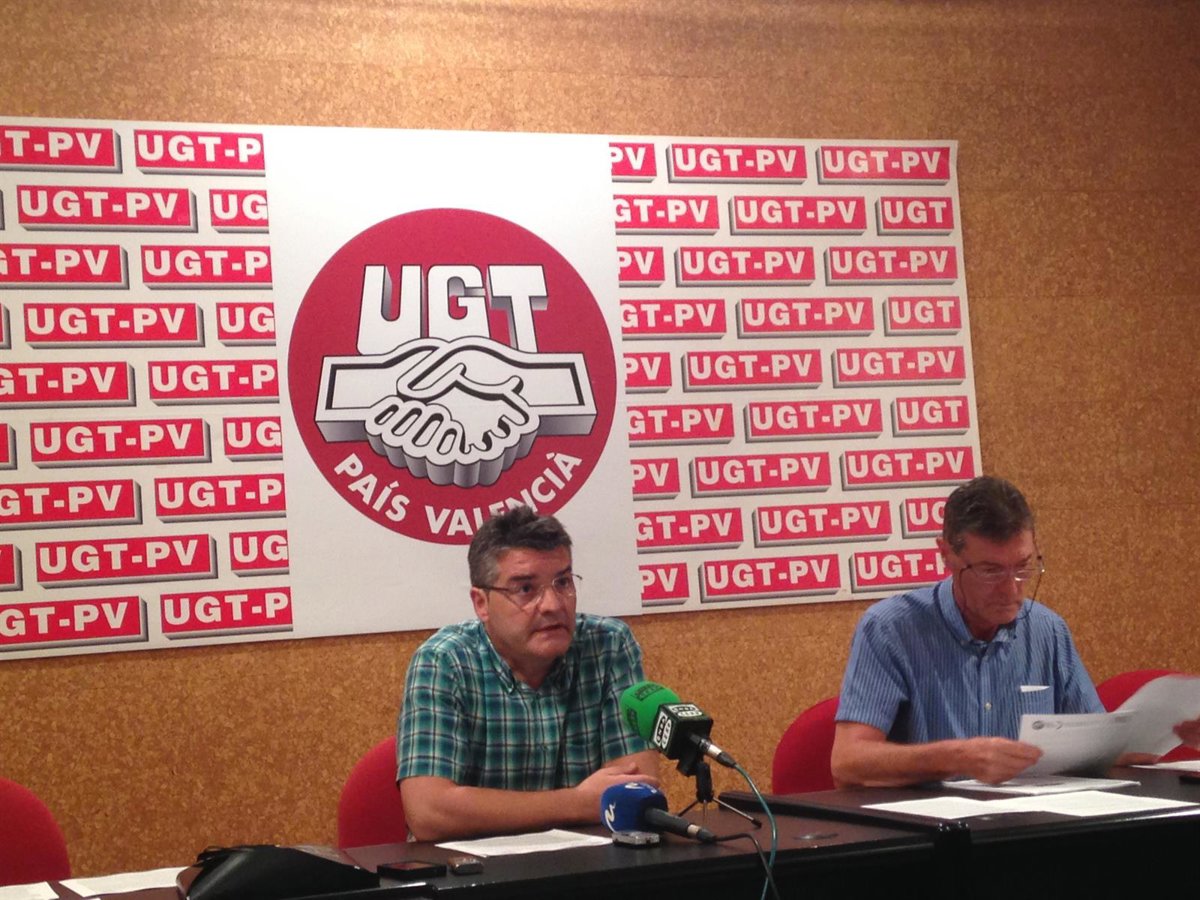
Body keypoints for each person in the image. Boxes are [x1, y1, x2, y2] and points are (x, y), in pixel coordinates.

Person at [831, 475, 1200, 788]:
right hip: (936, 833)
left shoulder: (1047, 630)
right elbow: (848, 762)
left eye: (1023, 567)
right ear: (946, 555)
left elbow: (1096, 751)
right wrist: (956, 756)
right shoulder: (891, 628)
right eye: (991, 571)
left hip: (1035, 827)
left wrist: (1161, 732)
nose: (1011, 589)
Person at [396, 506, 658, 841]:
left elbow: (634, 791)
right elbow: (429, 812)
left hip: (590, 866)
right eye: (525, 589)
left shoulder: (608, 646)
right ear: (481, 603)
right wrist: (577, 802)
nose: (553, 604)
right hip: (474, 870)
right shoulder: (444, 662)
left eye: (563, 582)